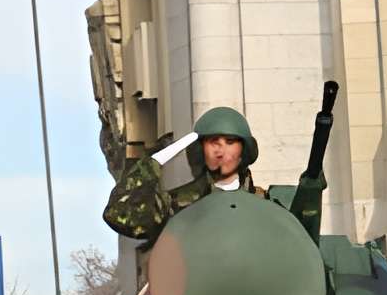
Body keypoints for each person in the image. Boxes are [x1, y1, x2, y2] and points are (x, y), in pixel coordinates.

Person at [102, 105, 268, 249]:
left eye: (230, 142)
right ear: (200, 151)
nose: (221, 151)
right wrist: (155, 161)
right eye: (213, 143)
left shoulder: (267, 204)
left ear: (244, 150)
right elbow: (119, 214)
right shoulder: (178, 206)